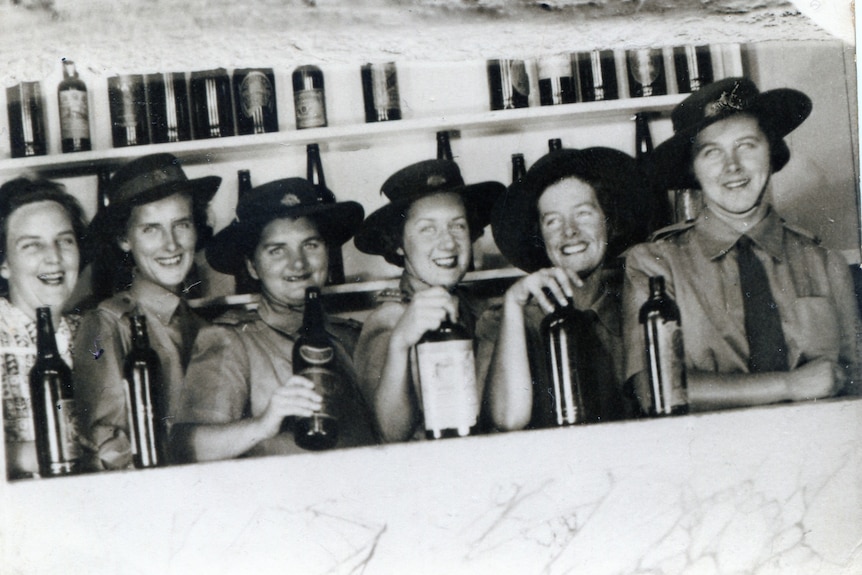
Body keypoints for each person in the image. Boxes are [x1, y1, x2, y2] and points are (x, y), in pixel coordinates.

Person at [623, 77, 861, 413]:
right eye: (712, 152)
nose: (732, 166)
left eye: (747, 145)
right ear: (692, 169)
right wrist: (789, 385)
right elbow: (653, 389)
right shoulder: (655, 264)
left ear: (772, 151)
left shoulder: (825, 262)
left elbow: (856, 383)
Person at [171, 178, 377, 462]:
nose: (298, 263)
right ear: (252, 267)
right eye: (277, 250)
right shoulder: (231, 339)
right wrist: (263, 424)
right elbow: (186, 446)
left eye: (311, 245)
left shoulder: (352, 337)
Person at [480, 148, 648, 430]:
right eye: (553, 220)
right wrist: (512, 307)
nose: (569, 231)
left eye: (582, 213)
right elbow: (507, 419)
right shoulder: (507, 320)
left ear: (609, 223)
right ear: (540, 237)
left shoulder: (637, 306)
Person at [71, 153, 219, 470]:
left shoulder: (203, 327)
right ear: (125, 239)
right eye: (151, 229)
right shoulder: (105, 324)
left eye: (181, 224)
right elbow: (105, 448)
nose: (171, 245)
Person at [352, 159, 505, 442]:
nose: (448, 243)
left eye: (457, 226)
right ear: (398, 243)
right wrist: (400, 343)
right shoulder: (388, 323)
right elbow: (390, 434)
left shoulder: (479, 312)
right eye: (427, 229)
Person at [0, 177, 88, 479]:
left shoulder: (94, 333)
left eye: (65, 240)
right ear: (4, 263)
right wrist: (40, 454)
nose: (54, 257)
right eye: (31, 245)